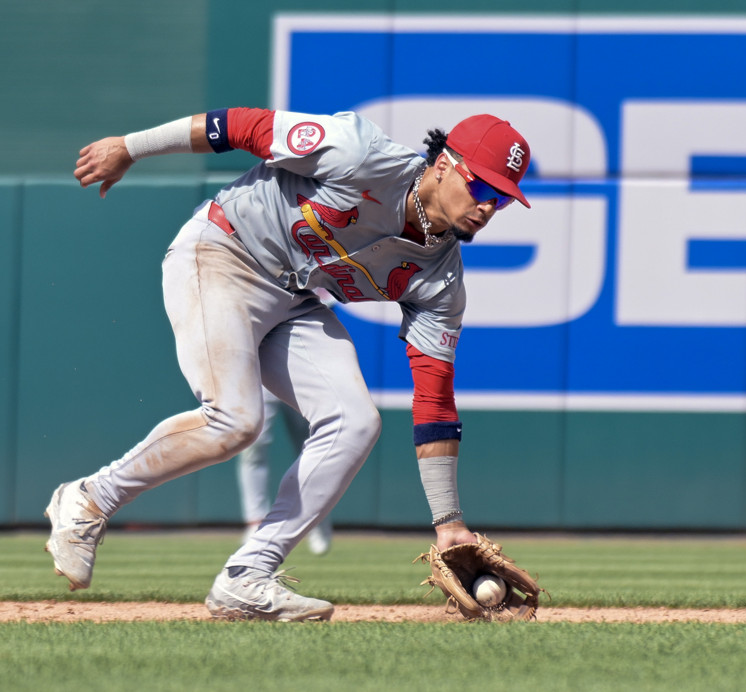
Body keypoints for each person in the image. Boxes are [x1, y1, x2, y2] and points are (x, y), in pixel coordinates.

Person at [46, 107, 531, 621]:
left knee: (356, 423)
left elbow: (434, 398)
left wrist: (449, 523)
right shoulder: (358, 152)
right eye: (482, 188)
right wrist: (130, 145)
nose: (488, 207)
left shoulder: (441, 281)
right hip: (223, 251)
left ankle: (246, 576)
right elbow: (234, 126)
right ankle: (88, 500)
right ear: (444, 165)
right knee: (235, 421)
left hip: (293, 298)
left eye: (502, 199)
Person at [238, 387, 333, 556]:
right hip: (260, 376)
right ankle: (255, 522)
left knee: (310, 446)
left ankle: (314, 520)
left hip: (296, 374)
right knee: (254, 444)